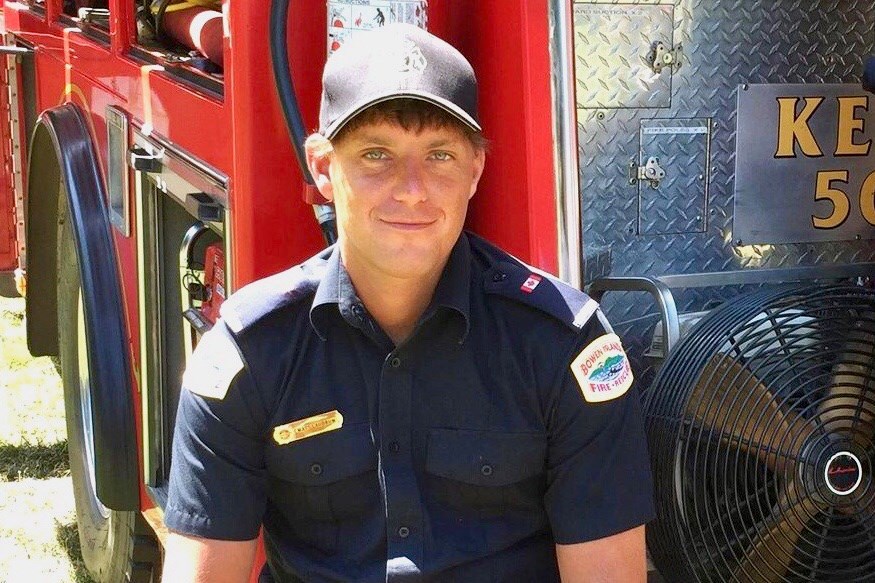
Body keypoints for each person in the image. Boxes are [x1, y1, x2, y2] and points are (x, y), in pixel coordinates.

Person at [162, 23, 654, 583]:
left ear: (476, 171)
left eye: (440, 155)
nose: (412, 188)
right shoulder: (251, 353)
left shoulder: (565, 347)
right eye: (376, 154)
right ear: (323, 168)